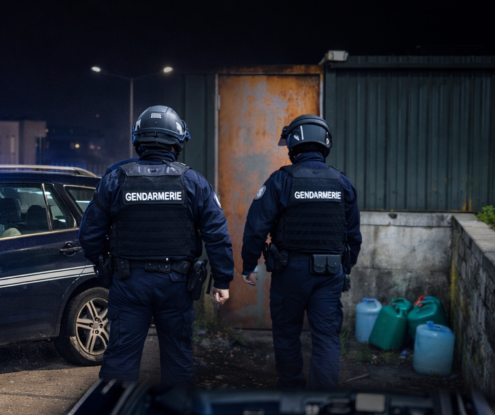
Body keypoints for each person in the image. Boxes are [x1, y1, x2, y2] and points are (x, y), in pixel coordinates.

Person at [79, 105, 234, 387]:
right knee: (177, 359)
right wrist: (222, 280)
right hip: (176, 283)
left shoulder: (115, 179)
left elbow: (89, 234)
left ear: (139, 140)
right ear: (177, 141)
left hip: (128, 282)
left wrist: (105, 266)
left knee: (120, 361)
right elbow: (217, 233)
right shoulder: (194, 182)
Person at [240, 114, 362, 389]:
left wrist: (249, 264)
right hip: (330, 273)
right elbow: (353, 236)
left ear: (294, 146)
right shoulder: (343, 183)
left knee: (286, 334)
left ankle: (293, 394)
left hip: (290, 272)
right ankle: (323, 401)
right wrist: (345, 268)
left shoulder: (280, 180)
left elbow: (256, 227)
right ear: (324, 144)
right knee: (327, 339)